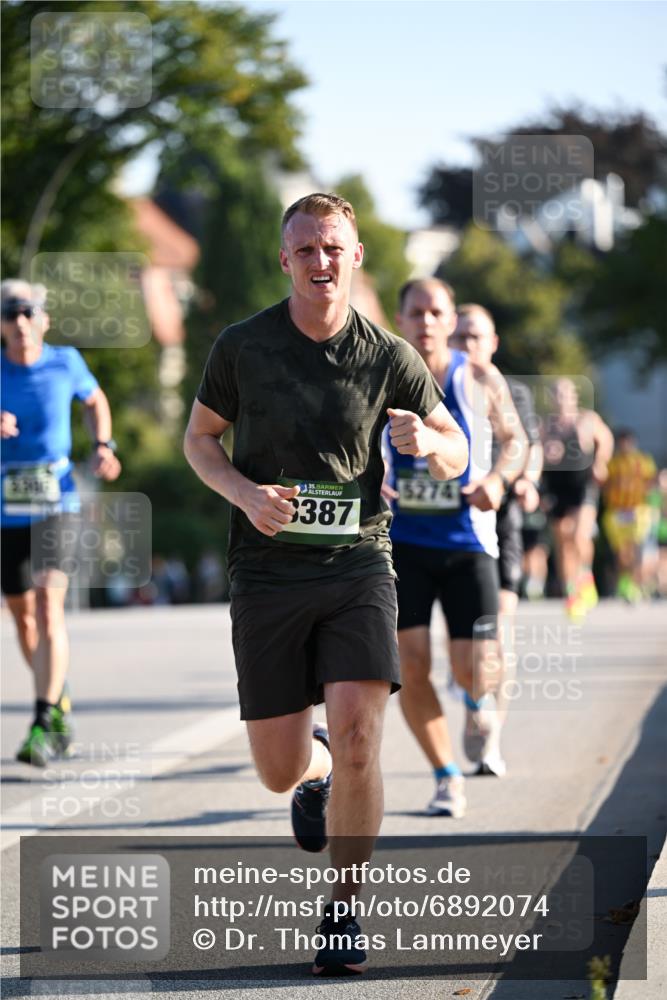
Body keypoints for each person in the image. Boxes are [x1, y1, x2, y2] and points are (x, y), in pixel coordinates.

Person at [183, 193, 467, 976]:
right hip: (267, 572)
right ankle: (314, 773)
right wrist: (244, 494)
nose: (320, 261)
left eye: (333, 247)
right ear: (285, 259)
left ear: (355, 256)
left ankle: (343, 907)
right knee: (278, 769)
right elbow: (199, 439)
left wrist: (427, 439)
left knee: (360, 733)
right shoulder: (242, 347)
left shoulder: (388, 356)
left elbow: (453, 450)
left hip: (357, 565)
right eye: (305, 249)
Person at [384, 279, 527, 820]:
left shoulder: (478, 377)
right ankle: (446, 775)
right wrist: (373, 480)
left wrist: (497, 480)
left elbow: (515, 442)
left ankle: (474, 699)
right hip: (404, 542)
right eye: (415, 312)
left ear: (450, 321)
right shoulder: (381, 375)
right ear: (400, 319)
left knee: (475, 667)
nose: (425, 321)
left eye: (435, 312)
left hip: (469, 542)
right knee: (411, 665)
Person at [1, 279, 121, 766]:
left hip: (58, 502)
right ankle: (55, 692)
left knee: (49, 605)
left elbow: (95, 400)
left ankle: (43, 717)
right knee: (22, 617)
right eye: (10, 314)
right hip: (6, 509)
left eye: (29, 312)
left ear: (44, 320)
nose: (20, 322)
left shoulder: (65, 362)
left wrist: (103, 445)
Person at [451, 305, 543, 706]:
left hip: (500, 515)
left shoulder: (513, 391)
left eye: (476, 337)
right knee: (462, 628)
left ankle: (490, 717)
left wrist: (526, 480)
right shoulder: (432, 386)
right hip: (452, 520)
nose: (468, 345)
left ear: (493, 342)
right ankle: (473, 686)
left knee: (499, 621)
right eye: (460, 337)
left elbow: (529, 446)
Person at [541, 377, 613, 619]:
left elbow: (606, 440)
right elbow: (535, 453)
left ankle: (585, 576)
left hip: (583, 484)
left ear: (574, 396)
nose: (560, 399)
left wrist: (600, 462)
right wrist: (545, 456)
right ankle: (571, 591)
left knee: (580, 534)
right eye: (556, 394)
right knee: (563, 541)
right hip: (557, 487)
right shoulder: (547, 425)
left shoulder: (587, 420)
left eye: (565, 394)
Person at [601, 429, 657, 603]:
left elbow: (651, 482)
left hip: (637, 510)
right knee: (622, 550)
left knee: (636, 547)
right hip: (617, 511)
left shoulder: (644, 461)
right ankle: (626, 581)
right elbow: (604, 483)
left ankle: (635, 583)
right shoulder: (612, 463)